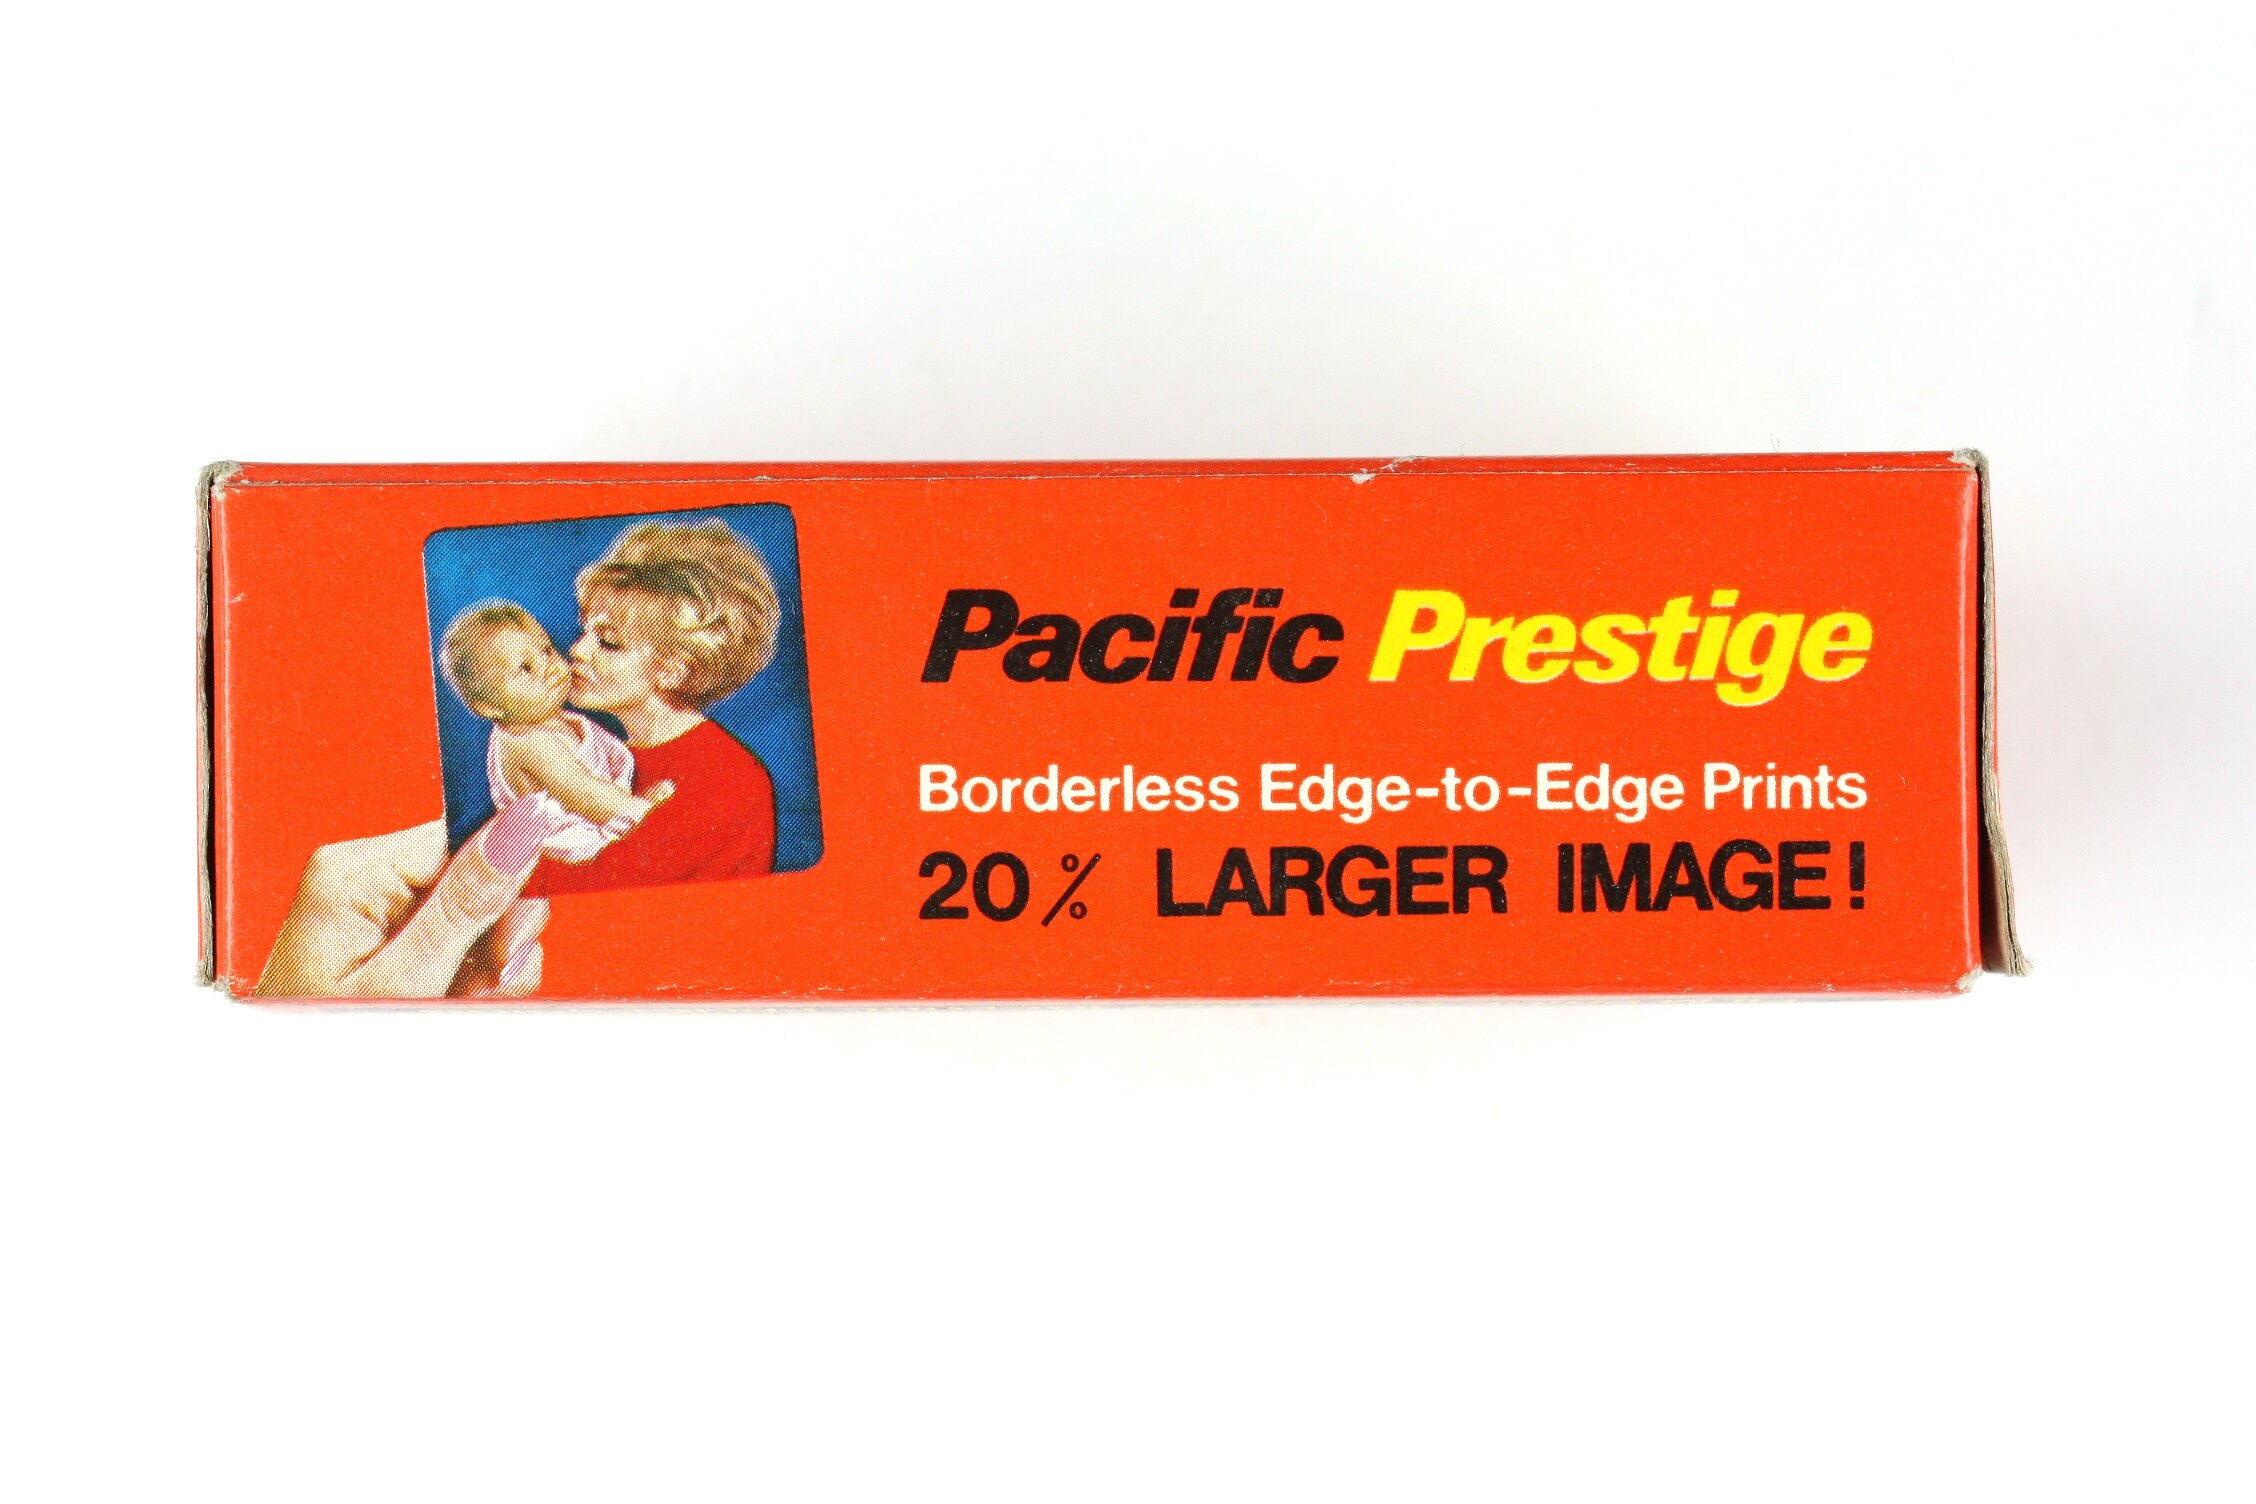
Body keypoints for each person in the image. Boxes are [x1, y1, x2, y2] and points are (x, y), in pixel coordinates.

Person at [536, 519, 782, 894]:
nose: (577, 650)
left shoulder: (725, 779)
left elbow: (590, 890)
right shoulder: (598, 751)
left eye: (608, 642)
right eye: (585, 631)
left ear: (672, 670)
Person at [437, 600, 674, 863]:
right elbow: (585, 793)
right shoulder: (529, 742)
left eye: (547, 651)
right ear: (489, 706)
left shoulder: (546, 719)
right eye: (526, 668)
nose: (548, 667)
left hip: (605, 814)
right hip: (571, 853)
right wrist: (644, 814)